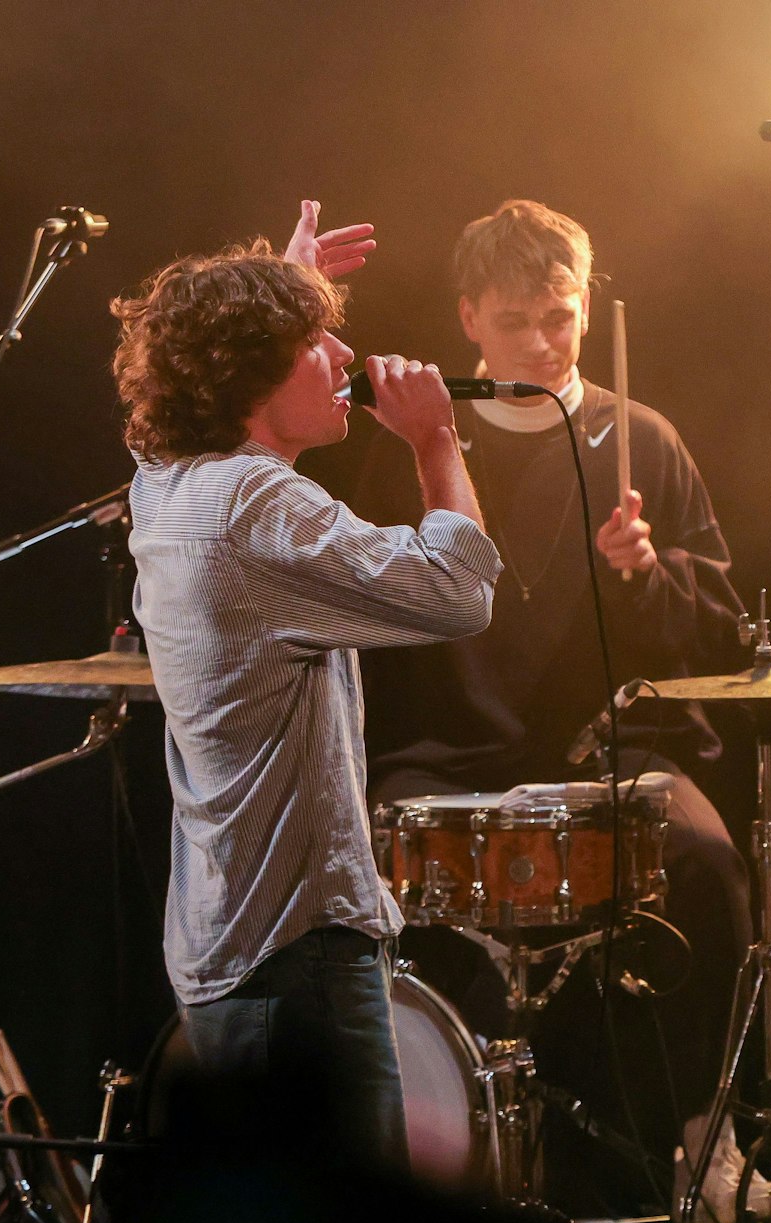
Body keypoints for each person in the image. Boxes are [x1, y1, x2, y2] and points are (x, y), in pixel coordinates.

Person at [349, 200, 758, 1220]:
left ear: (585, 308)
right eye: (516, 320)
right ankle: (414, 1177)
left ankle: (709, 1139)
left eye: (560, 317)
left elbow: (719, 640)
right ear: (469, 317)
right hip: (448, 756)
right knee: (363, 872)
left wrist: (647, 573)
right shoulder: (409, 440)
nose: (540, 341)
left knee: (707, 862)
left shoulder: (643, 438)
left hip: (613, 750)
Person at [113, 201, 501, 1168]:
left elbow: (201, 369)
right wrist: (435, 443)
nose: (345, 356)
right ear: (246, 373)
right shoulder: (252, 501)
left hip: (227, 946)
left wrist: (280, 295)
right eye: (314, 342)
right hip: (297, 955)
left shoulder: (167, 482)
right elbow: (456, 594)